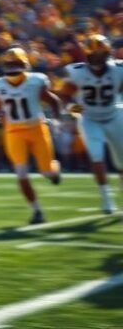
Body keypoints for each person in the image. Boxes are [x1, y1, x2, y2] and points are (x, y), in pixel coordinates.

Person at [0, 47, 63, 224]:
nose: (13, 68)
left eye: (16, 64)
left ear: (25, 65)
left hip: (37, 128)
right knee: (21, 172)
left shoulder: (36, 81)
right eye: (10, 64)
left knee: (46, 171)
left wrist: (57, 121)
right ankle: (36, 211)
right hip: (13, 131)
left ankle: (54, 170)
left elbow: (54, 101)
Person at [58, 35, 123, 214]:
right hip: (90, 118)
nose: (97, 58)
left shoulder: (118, 69)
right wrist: (72, 106)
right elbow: (64, 95)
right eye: (93, 54)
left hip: (114, 115)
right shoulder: (77, 71)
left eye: (100, 54)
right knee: (96, 156)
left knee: (122, 162)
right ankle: (106, 196)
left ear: (107, 53)